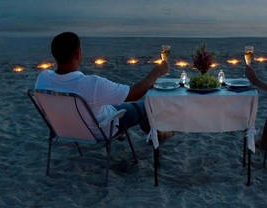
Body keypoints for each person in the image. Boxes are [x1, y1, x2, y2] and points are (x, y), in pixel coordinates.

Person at [34, 32, 169, 137]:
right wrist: (156, 72)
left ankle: (149, 131)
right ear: (78, 54)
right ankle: (155, 133)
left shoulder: (43, 78)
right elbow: (133, 94)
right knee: (147, 105)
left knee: (108, 103)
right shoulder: (91, 84)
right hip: (101, 129)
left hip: (65, 130)